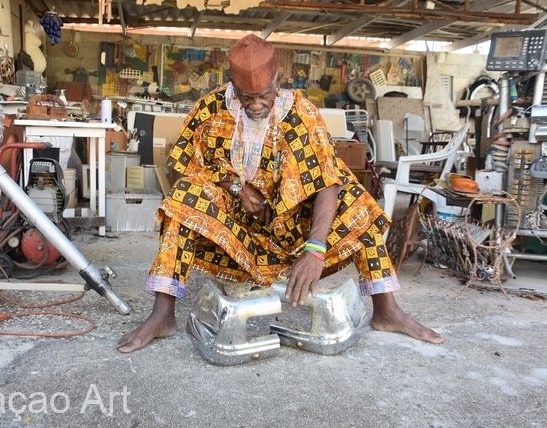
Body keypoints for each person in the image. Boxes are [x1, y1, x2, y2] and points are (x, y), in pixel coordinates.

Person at [117, 34, 443, 353]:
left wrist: (315, 250)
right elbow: (182, 164)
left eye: (264, 95)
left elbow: (329, 180)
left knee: (359, 201)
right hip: (237, 233)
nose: (256, 105)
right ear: (232, 83)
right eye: (246, 97)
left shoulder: (301, 112)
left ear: (278, 79)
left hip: (294, 233)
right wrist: (235, 186)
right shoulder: (210, 108)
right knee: (182, 197)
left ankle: (386, 310)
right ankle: (162, 314)